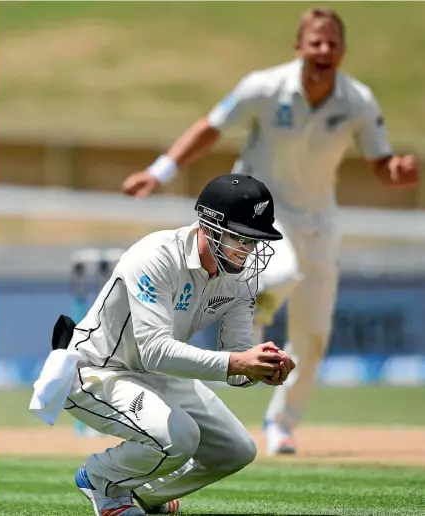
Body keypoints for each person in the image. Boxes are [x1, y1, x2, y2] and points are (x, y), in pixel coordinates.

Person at [121, 7, 420, 455]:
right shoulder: (265, 86)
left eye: (332, 43)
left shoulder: (357, 99)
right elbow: (211, 127)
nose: (324, 50)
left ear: (342, 50)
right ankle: (250, 305)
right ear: (298, 47)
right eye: (315, 42)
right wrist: (159, 171)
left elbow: (381, 164)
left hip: (320, 222)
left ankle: (281, 424)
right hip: (260, 214)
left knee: (315, 335)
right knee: (281, 272)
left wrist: (397, 172)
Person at [31, 174, 295, 516]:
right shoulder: (155, 256)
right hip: (98, 370)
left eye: (254, 241)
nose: (247, 251)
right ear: (209, 226)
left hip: (160, 373)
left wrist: (262, 368)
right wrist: (239, 364)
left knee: (237, 450)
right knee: (181, 438)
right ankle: (100, 479)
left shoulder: (243, 277)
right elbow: (155, 350)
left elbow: (236, 364)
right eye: (239, 238)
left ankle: (146, 493)